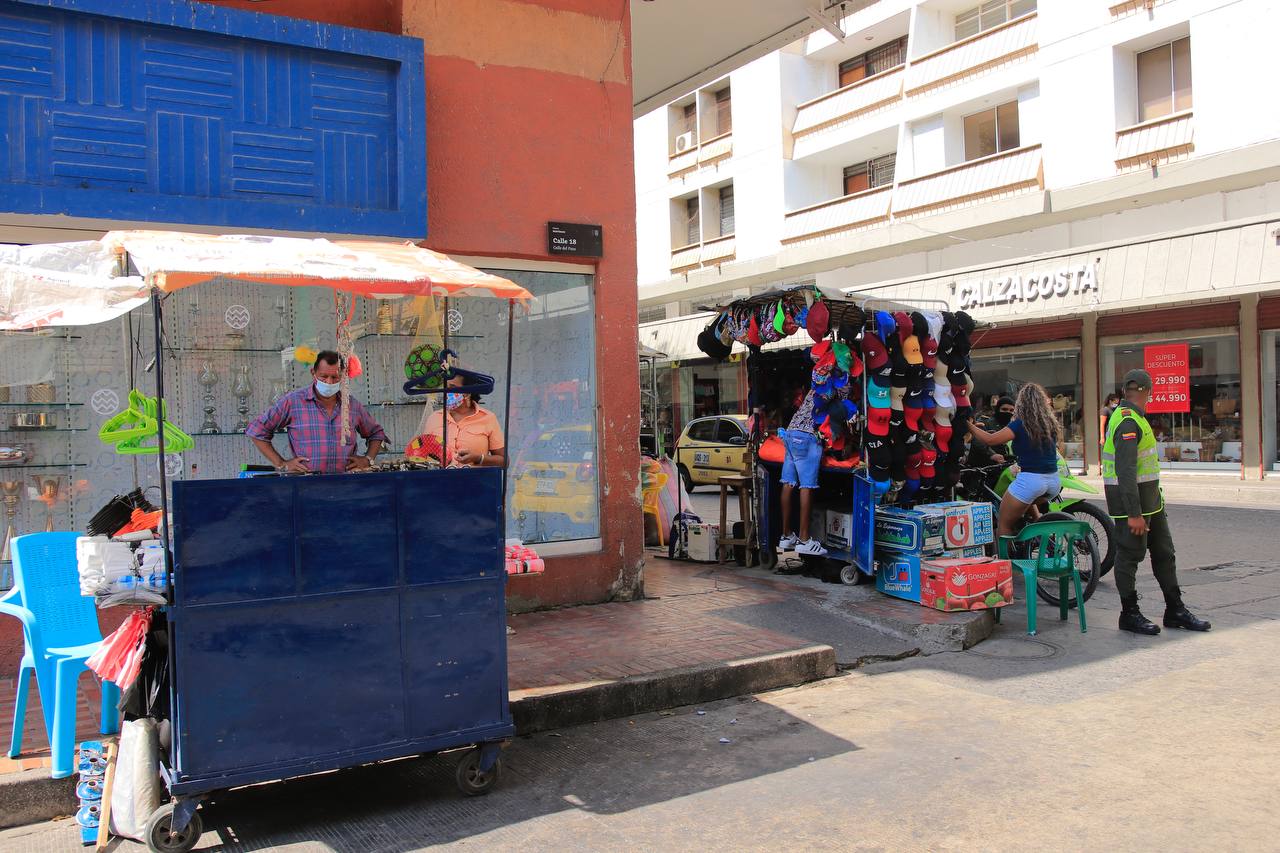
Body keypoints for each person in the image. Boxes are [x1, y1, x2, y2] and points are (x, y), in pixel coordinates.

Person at [1102, 369, 1211, 635]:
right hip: (1133, 506)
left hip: (1151, 503)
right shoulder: (1127, 421)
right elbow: (1126, 472)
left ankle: (1175, 609)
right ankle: (1129, 613)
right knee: (1129, 556)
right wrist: (1134, 514)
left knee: (1164, 553)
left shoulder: (1136, 418)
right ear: (1147, 391)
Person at [248, 350, 386, 474]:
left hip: (346, 484)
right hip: (305, 485)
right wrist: (282, 464)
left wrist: (368, 459)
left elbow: (376, 433)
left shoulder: (352, 405)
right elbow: (257, 430)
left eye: (335, 377)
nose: (329, 382)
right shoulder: (293, 401)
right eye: (323, 376)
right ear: (313, 373)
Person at [966, 383, 1061, 539]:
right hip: (1053, 482)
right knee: (1027, 502)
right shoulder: (1049, 424)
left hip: (1031, 480)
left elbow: (991, 440)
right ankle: (1042, 534)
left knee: (1004, 522)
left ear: (1021, 403)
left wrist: (968, 425)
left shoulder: (1020, 424)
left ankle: (1006, 561)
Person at [776, 387, 828, 557]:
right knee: (807, 485)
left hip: (790, 434)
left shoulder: (817, 382)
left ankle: (786, 535)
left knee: (788, 483)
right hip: (807, 436)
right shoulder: (839, 384)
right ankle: (804, 539)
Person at [417, 375, 506, 467]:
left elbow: (504, 461)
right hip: (440, 480)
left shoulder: (488, 418)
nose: (446, 392)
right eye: (445, 387)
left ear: (467, 393)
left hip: (475, 480)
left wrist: (479, 458)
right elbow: (423, 454)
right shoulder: (434, 418)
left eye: (452, 388)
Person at [967, 395, 1015, 467]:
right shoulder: (985, 422)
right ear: (998, 409)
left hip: (1002, 466)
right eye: (1004, 409)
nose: (1008, 412)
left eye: (1011, 410)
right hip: (981, 467)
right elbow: (977, 440)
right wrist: (992, 454)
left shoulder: (1012, 426)